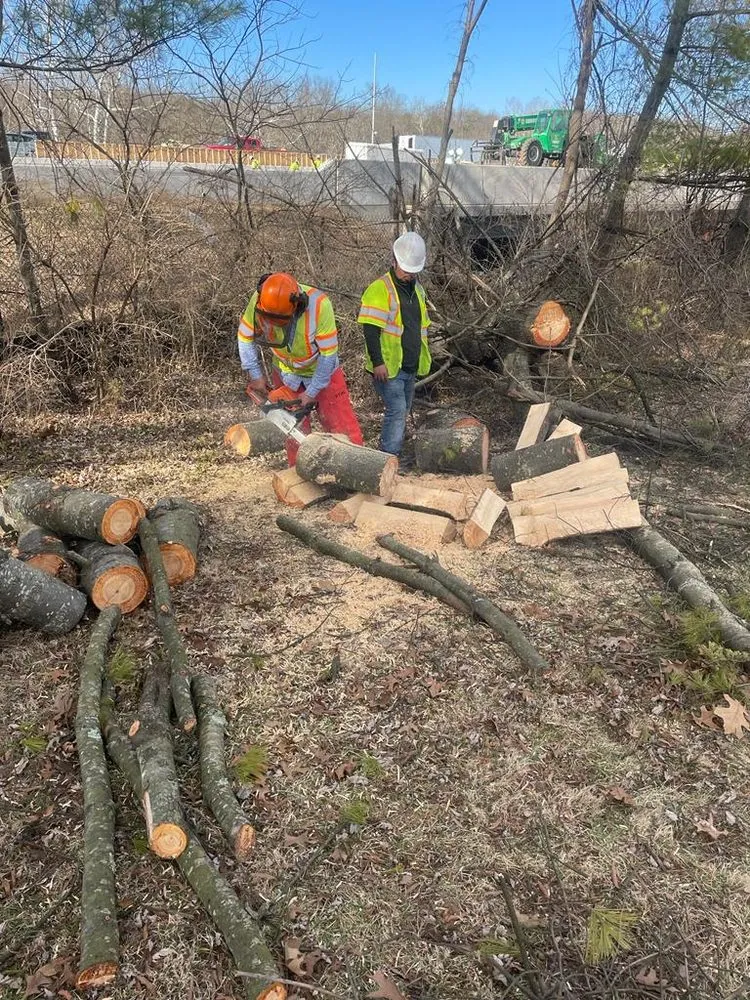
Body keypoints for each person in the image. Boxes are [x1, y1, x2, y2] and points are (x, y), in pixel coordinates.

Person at [237, 271, 363, 465]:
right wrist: (255, 374)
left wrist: (312, 392)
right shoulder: (261, 299)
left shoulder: (320, 306)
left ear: (297, 306)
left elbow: (328, 355)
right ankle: (299, 472)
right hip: (285, 371)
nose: (272, 324)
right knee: (292, 432)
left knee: (341, 426)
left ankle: (356, 471)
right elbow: (245, 336)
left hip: (321, 372)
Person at [357, 232, 432, 459]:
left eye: (412, 270)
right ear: (394, 261)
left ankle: (393, 451)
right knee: (397, 409)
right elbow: (370, 330)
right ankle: (389, 457)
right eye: (405, 269)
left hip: (409, 363)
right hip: (388, 367)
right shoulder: (379, 289)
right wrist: (378, 362)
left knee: (405, 408)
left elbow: (419, 326)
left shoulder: (418, 290)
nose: (409, 274)